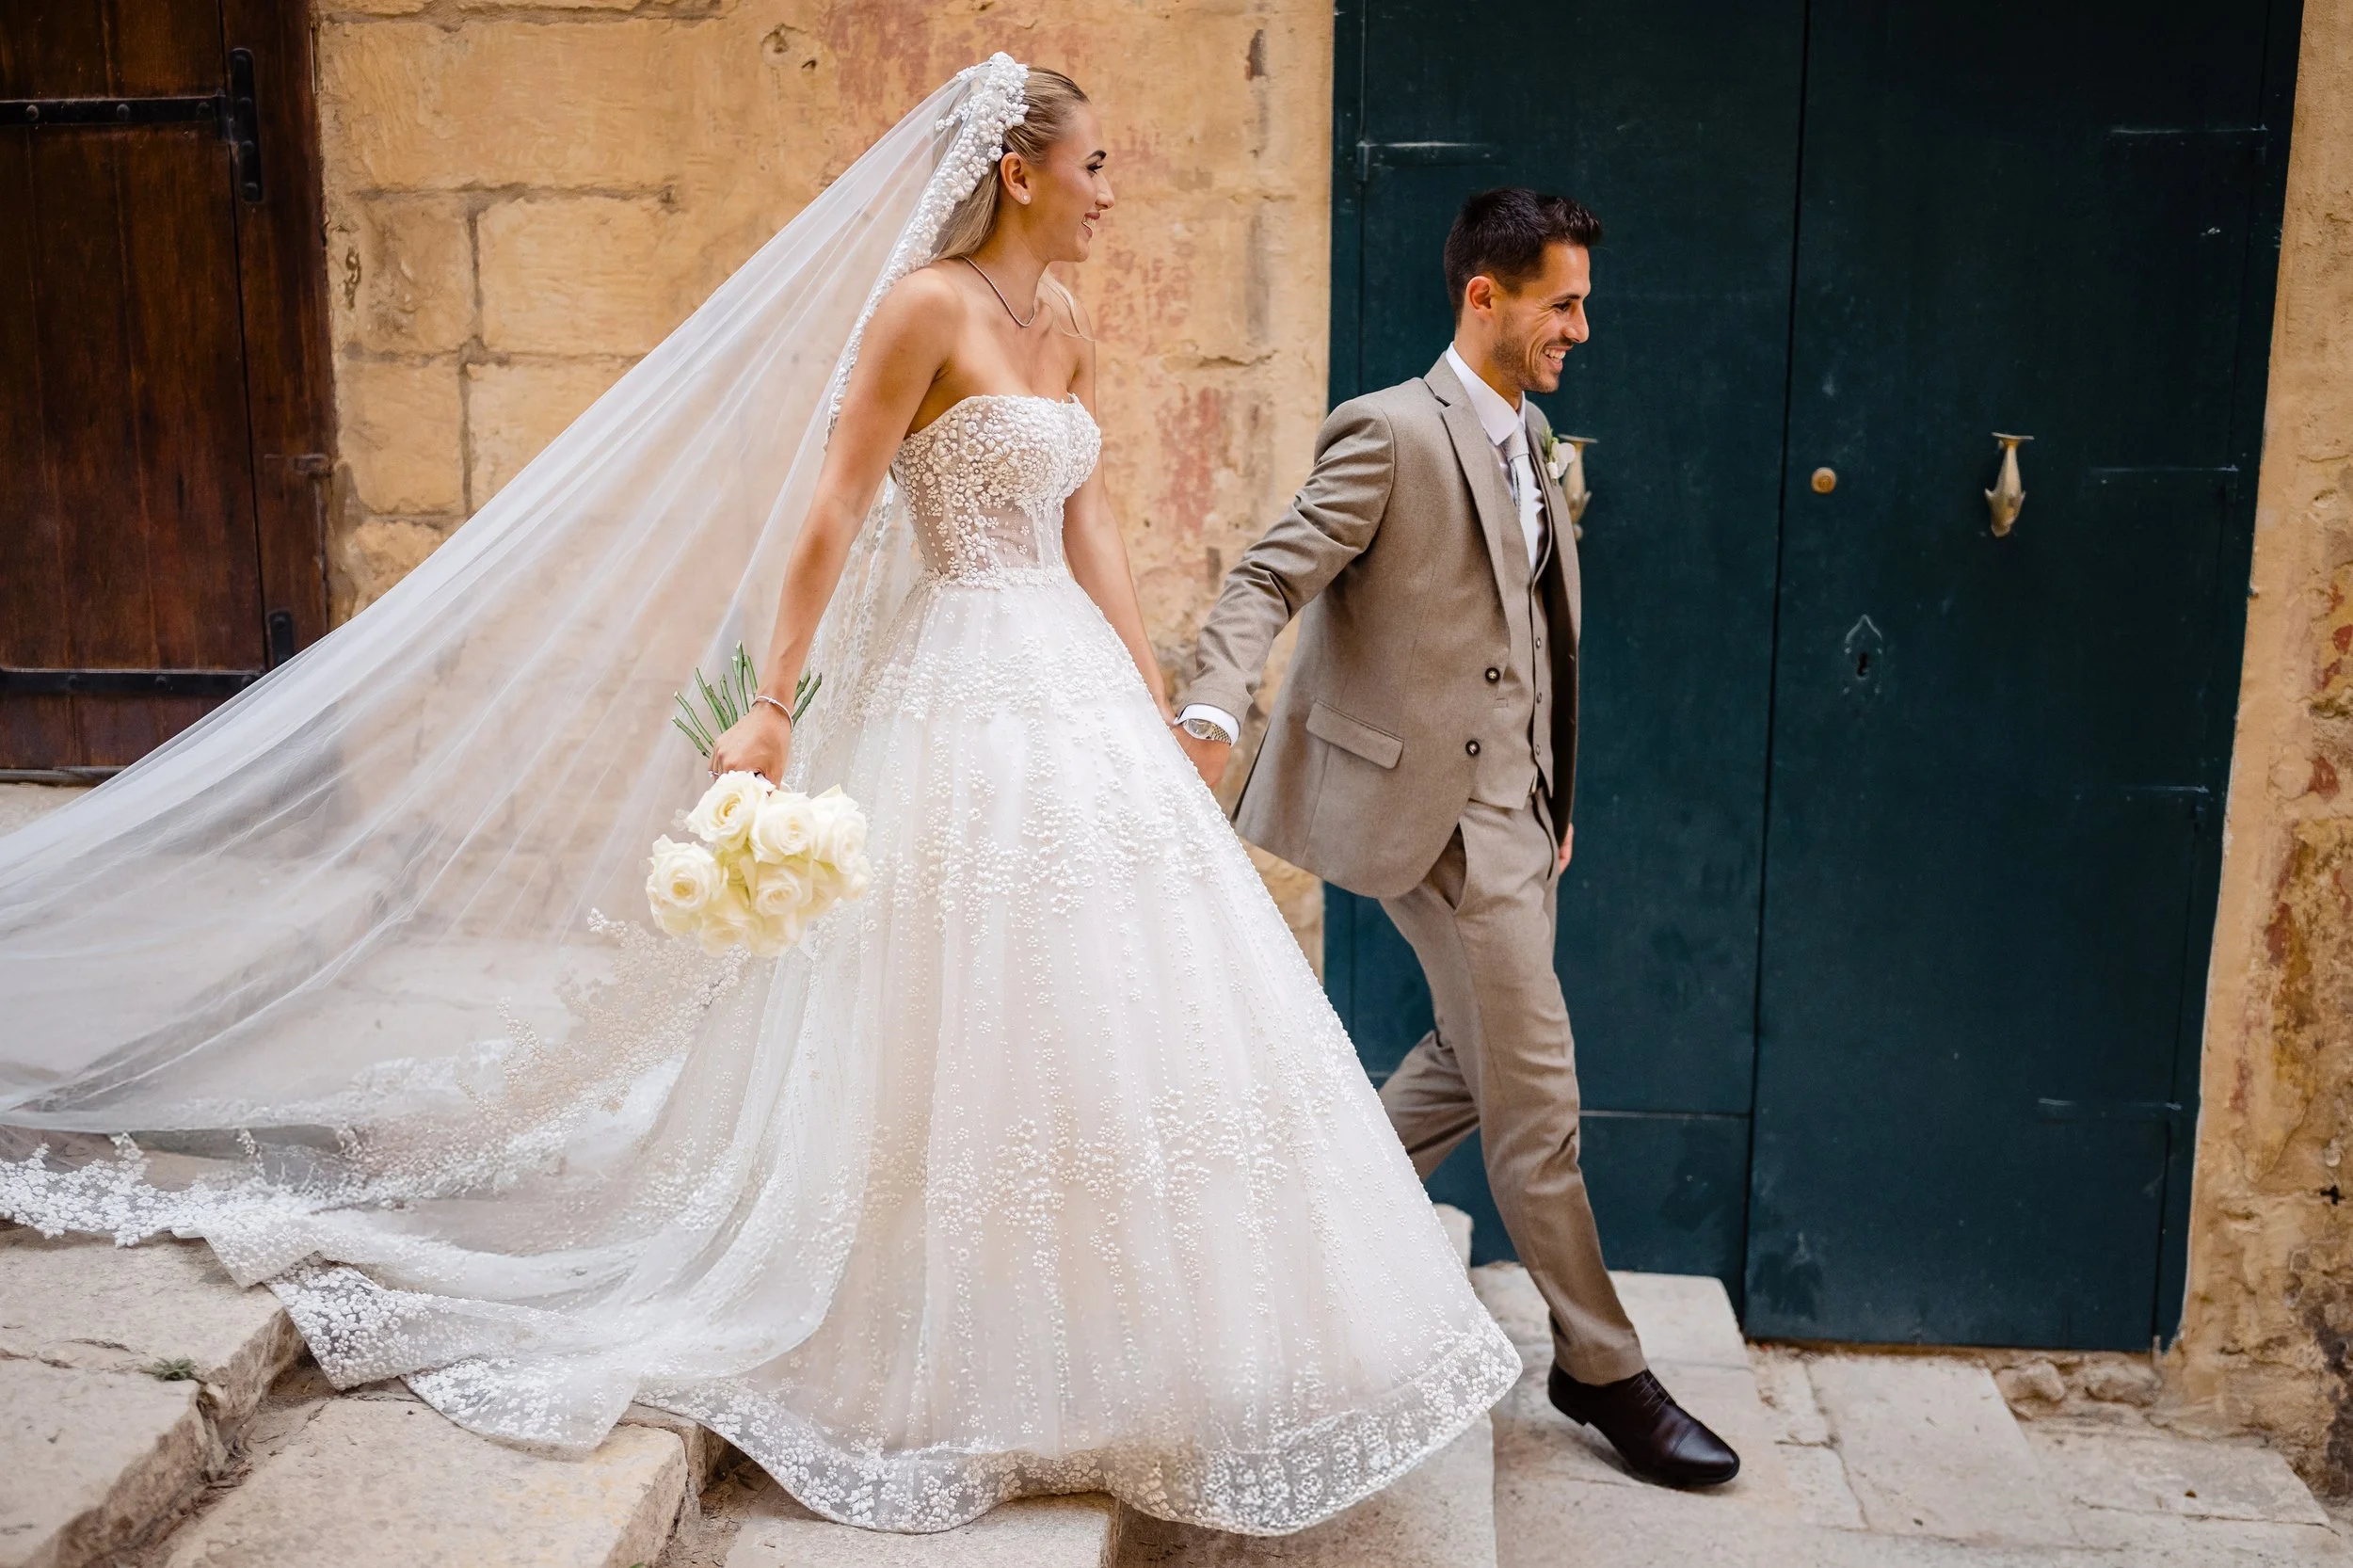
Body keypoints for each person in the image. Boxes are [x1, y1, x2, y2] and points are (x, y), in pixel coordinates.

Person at [0, 58, 1518, 1534]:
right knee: (945, 990)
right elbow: (836, 505)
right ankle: (920, 1310)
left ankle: (1099, 1308)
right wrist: (777, 704)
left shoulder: (1060, 320)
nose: (1111, 192)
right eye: (1095, 165)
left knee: (1116, 987)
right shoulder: (928, 309)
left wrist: (1152, 681)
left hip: (1066, 678)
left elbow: (1092, 515)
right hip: (961, 678)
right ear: (1018, 169)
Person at [1175, 187, 1740, 1488]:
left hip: (1520, 819)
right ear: (1484, 296)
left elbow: (1534, 633)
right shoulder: (1389, 430)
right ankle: (1601, 1364)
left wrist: (1555, 792)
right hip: (1431, 820)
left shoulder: (1530, 436)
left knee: (1465, 1058)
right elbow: (1270, 573)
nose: (1582, 328)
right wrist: (1214, 699)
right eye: (1564, 302)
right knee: (1536, 1104)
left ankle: (1286, 1237)